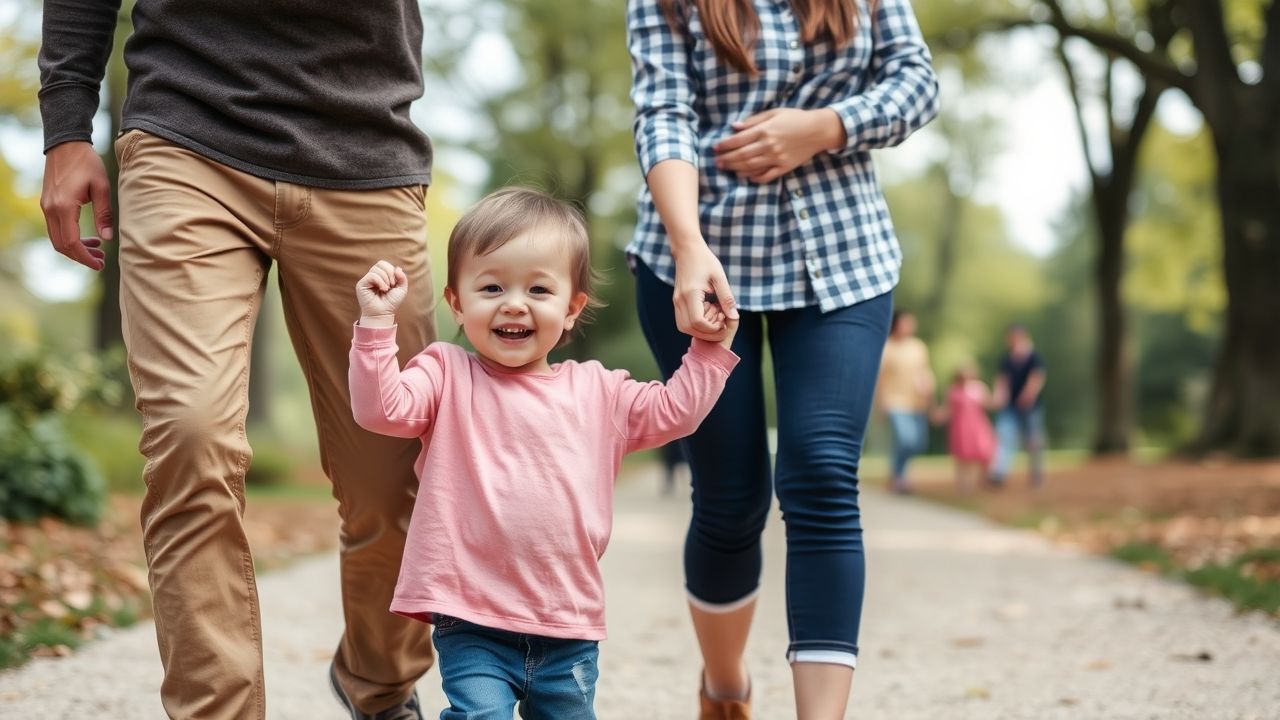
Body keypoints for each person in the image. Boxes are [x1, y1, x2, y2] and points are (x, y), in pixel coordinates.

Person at [38, 3, 439, 717]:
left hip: (365, 147)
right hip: (187, 133)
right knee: (190, 438)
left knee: (395, 469)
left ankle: (381, 682)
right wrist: (67, 127)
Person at [626, 0, 939, 716]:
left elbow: (916, 80)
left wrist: (828, 126)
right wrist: (687, 245)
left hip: (844, 255)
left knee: (823, 475)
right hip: (699, 256)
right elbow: (664, 111)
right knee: (731, 498)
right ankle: (725, 686)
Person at [348, 187, 739, 720]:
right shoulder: (446, 373)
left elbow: (676, 411)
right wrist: (375, 325)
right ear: (457, 303)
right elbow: (381, 410)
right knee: (479, 715)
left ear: (571, 307)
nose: (514, 302)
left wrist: (710, 348)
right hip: (471, 614)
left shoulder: (599, 391)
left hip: (566, 620)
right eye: (491, 287)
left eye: (538, 288)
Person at [877, 310, 936, 493]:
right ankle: (899, 476)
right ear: (896, 324)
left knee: (918, 443)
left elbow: (924, 371)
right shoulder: (887, 347)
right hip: (894, 401)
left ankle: (899, 474)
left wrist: (930, 393)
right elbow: (880, 378)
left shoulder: (917, 347)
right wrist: (881, 402)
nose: (910, 326)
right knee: (906, 439)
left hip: (917, 402)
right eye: (905, 323)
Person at [990, 324, 1047, 487]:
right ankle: (999, 473)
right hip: (1009, 407)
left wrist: (1028, 395)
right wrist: (998, 397)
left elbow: (1037, 378)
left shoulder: (1034, 357)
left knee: (1033, 441)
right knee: (1005, 438)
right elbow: (1002, 382)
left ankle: (1036, 475)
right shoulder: (1007, 359)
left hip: (1030, 408)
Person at [933, 363, 995, 493]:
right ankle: (964, 485)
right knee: (963, 457)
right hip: (960, 428)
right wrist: (937, 415)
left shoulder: (979, 388)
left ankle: (983, 478)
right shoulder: (953, 391)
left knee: (984, 452)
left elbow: (989, 404)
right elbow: (947, 410)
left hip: (978, 426)